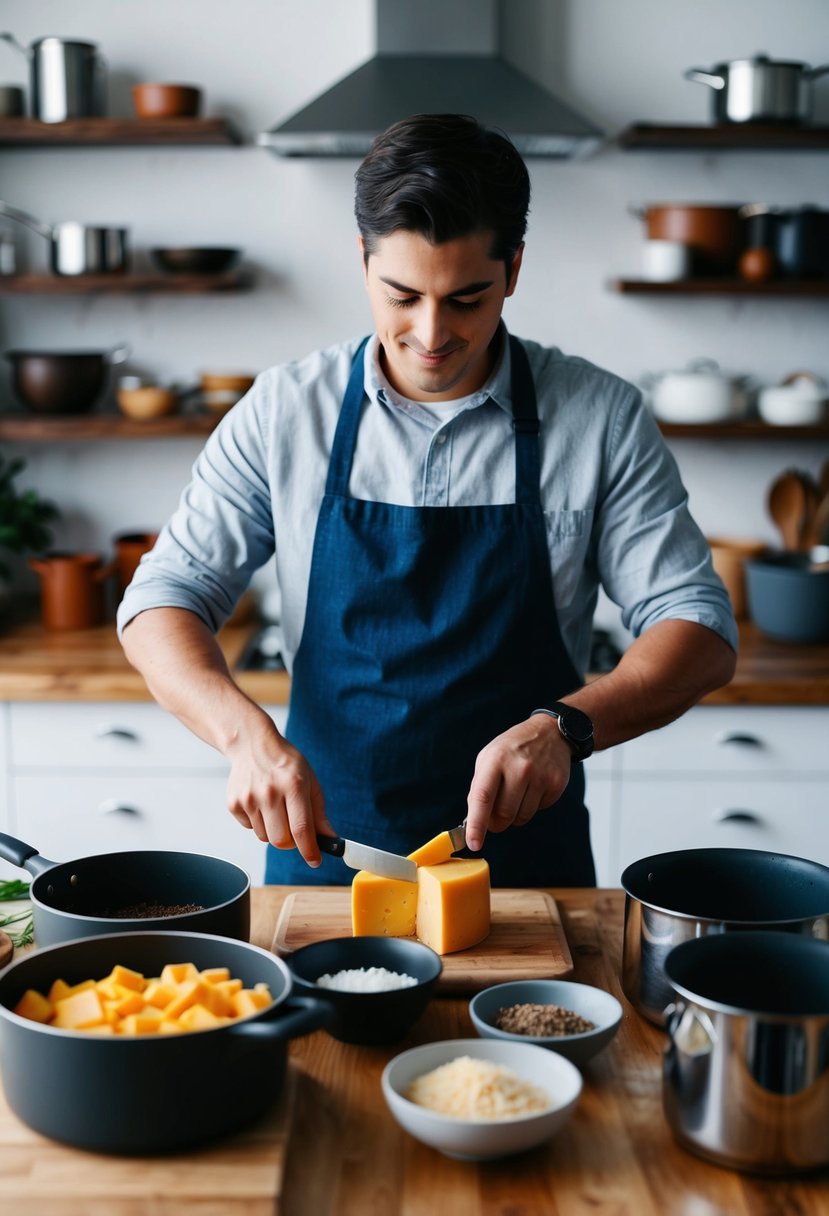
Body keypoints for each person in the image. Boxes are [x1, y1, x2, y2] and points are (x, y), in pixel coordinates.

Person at [118, 113, 737, 888]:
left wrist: (565, 726)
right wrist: (243, 735)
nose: (432, 332)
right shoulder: (284, 411)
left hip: (525, 872)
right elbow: (162, 599)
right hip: (324, 856)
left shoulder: (598, 417)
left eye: (468, 297)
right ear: (362, 260)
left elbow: (698, 626)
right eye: (401, 295)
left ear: (513, 269)